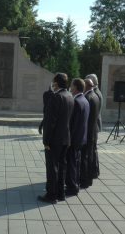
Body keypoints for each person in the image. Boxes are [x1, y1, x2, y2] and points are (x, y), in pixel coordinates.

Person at [39, 73, 74, 204]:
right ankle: (61, 193)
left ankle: (51, 195)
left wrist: (46, 141)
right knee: (62, 166)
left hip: (54, 140)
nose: (52, 84)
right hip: (66, 138)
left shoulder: (56, 97)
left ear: (56, 83)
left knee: (52, 167)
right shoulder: (70, 96)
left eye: (53, 82)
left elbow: (50, 122)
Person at [65, 78, 89, 197]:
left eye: (72, 86)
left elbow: (72, 124)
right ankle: (76, 184)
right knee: (77, 163)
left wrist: (69, 139)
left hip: (74, 139)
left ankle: (72, 188)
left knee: (72, 164)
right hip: (81, 138)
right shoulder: (84, 100)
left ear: (75, 87)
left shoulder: (77, 102)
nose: (70, 87)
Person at [80, 79, 100, 188]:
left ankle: (85, 180)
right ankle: (90, 177)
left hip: (87, 133)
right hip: (93, 131)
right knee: (90, 156)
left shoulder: (87, 98)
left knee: (85, 157)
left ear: (87, 86)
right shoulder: (95, 96)